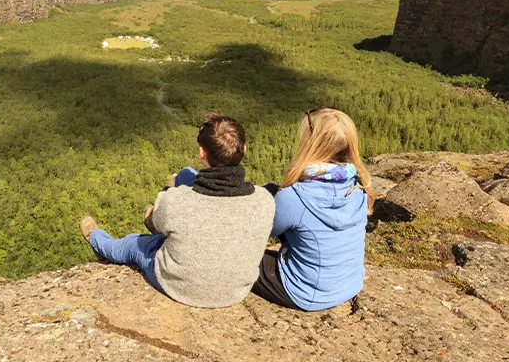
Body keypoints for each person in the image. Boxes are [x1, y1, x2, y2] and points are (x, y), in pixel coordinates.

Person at [80, 114, 275, 308]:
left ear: (202, 153)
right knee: (185, 174)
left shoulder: (177, 201)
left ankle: (97, 239)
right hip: (235, 291)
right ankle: (168, 212)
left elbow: (164, 218)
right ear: (244, 150)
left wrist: (166, 196)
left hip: (181, 286)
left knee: (134, 244)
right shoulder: (265, 200)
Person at [252, 107, 373, 311]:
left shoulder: (296, 197)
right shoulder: (360, 185)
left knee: (240, 257)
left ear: (311, 143)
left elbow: (265, 229)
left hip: (305, 292)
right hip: (349, 284)